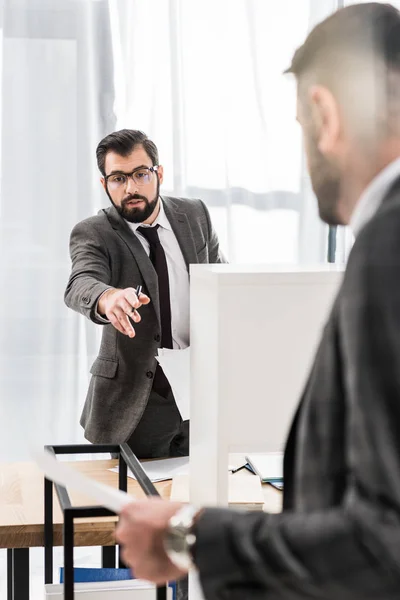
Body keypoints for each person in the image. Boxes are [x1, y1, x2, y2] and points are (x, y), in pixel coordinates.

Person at [115, 4, 400, 599]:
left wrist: (192, 535)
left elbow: (384, 543)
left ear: (324, 114)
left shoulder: (387, 250)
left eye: (298, 125)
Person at [64, 129, 226, 457]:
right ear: (104, 184)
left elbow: (222, 278)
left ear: (159, 173)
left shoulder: (195, 214)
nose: (131, 188)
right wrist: (108, 298)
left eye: (140, 174)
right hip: (138, 399)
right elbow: (81, 282)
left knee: (202, 498)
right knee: (140, 501)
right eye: (118, 178)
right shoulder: (94, 232)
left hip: (200, 388)